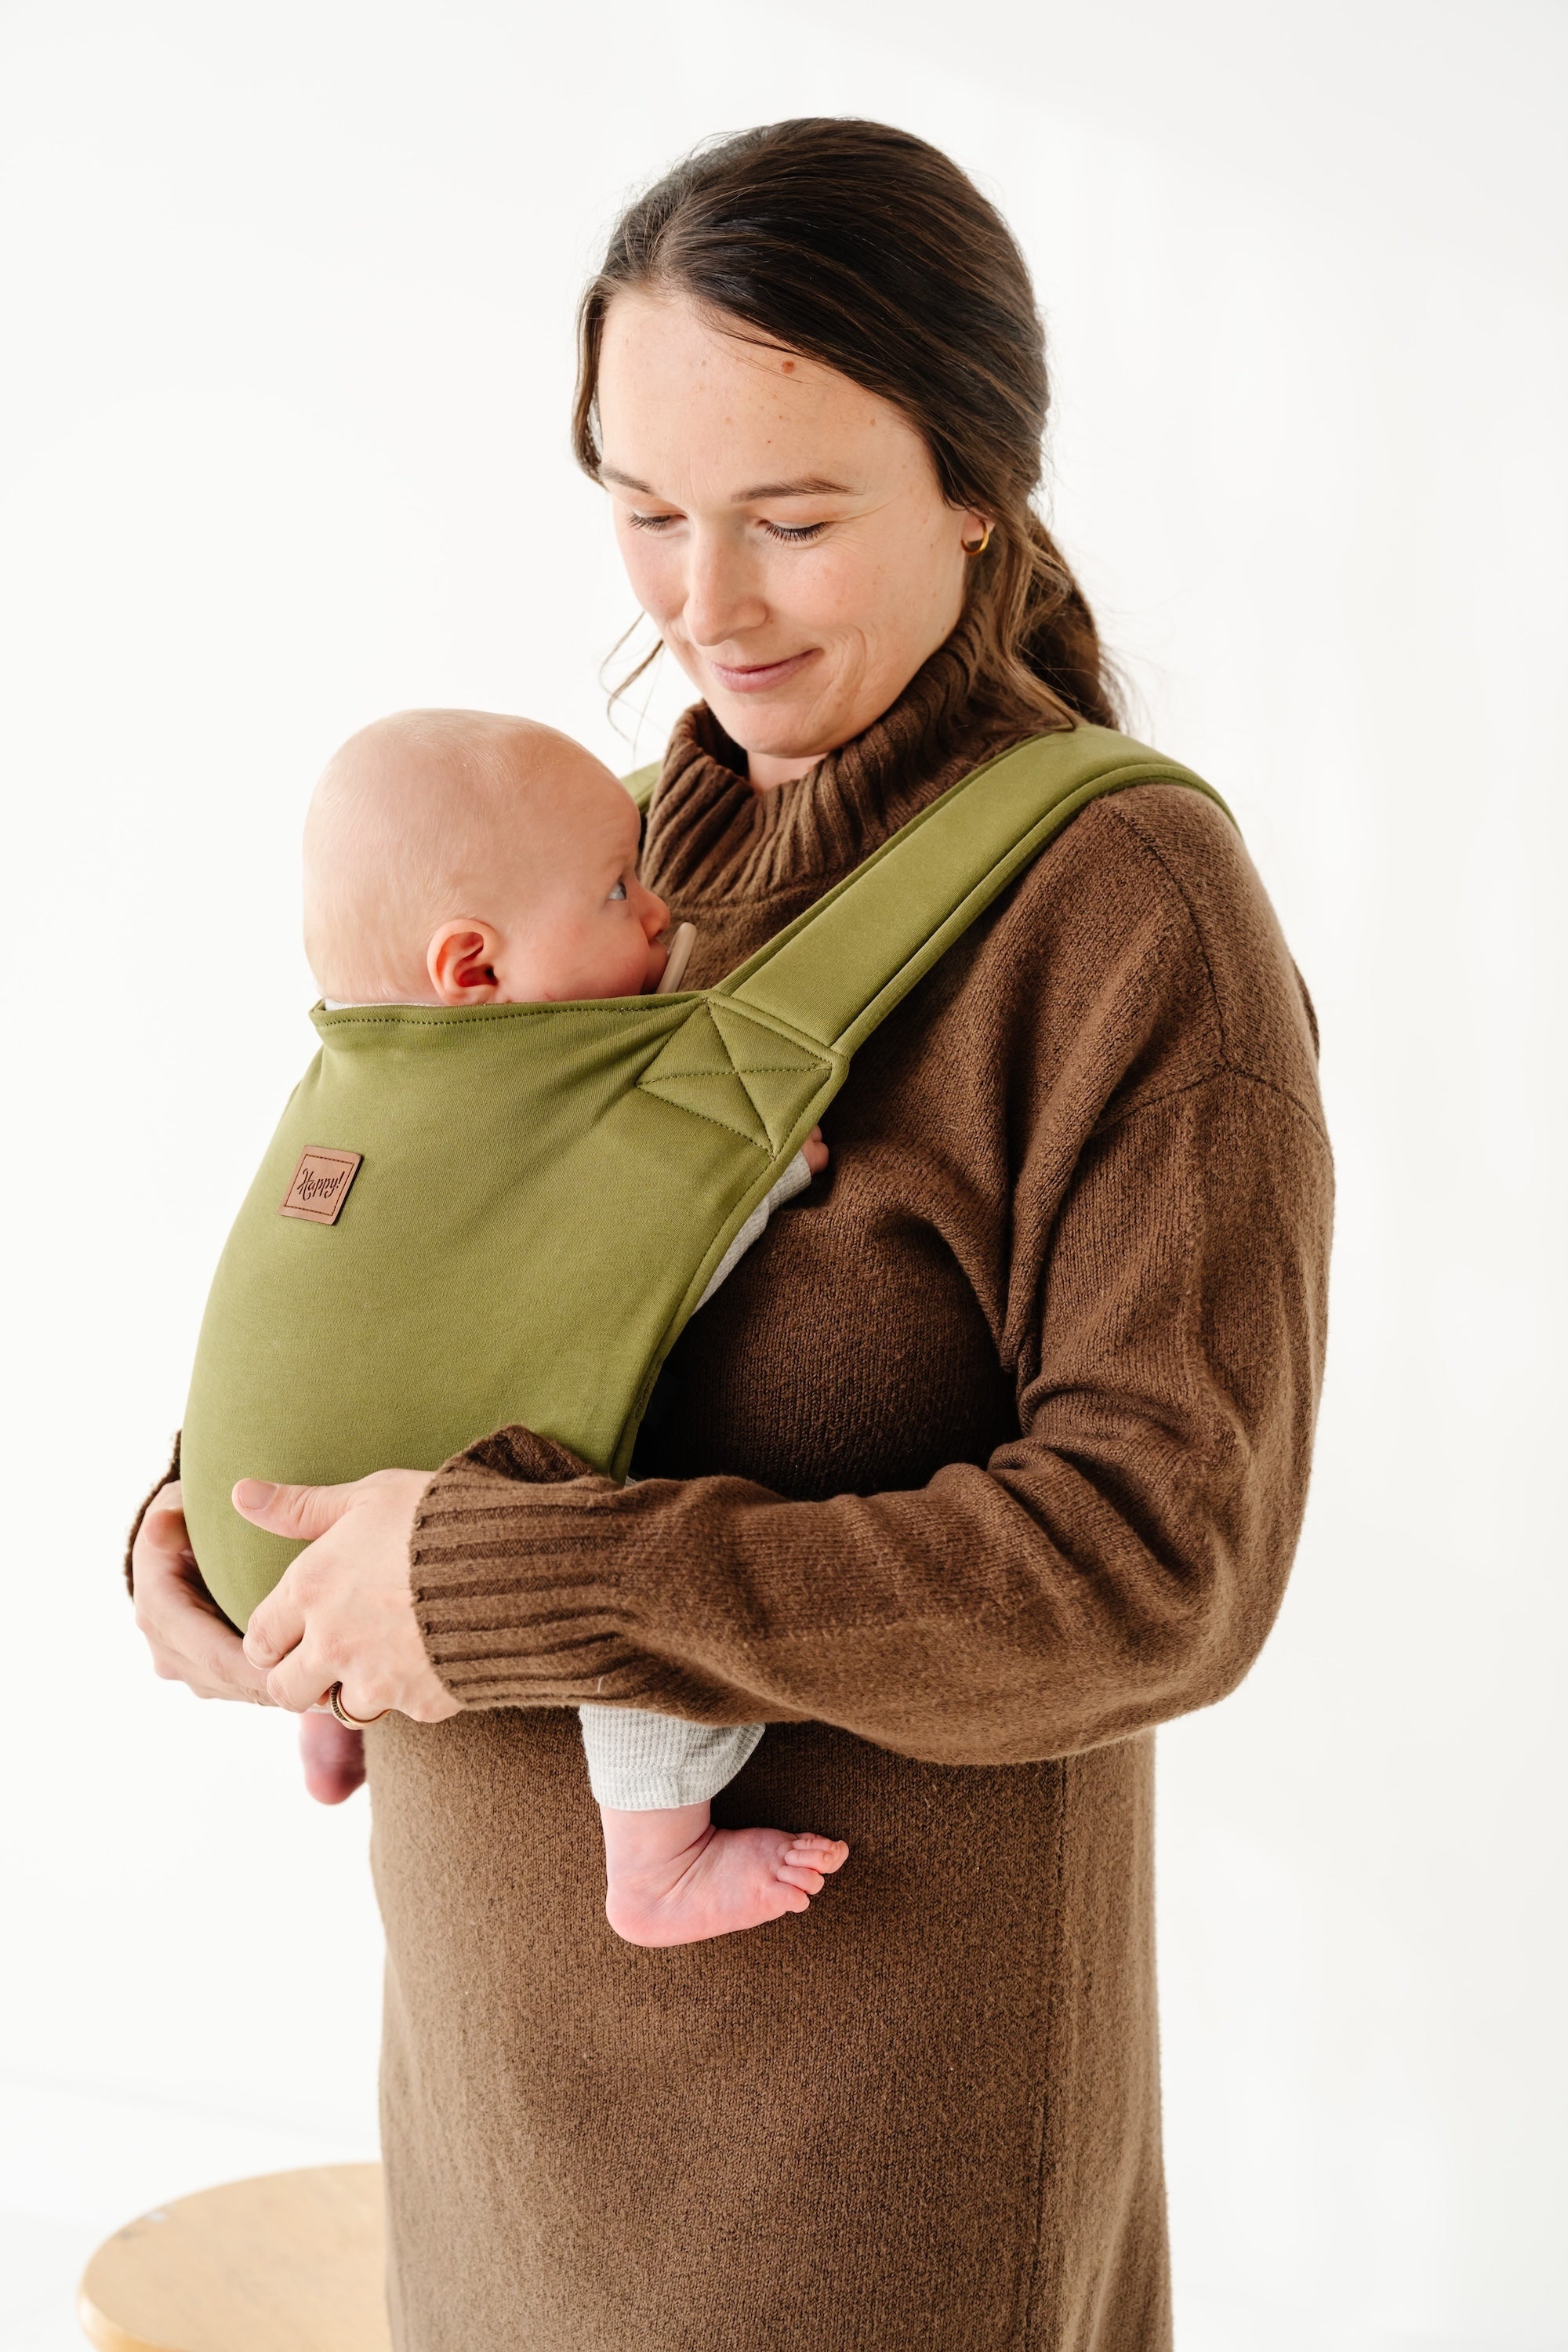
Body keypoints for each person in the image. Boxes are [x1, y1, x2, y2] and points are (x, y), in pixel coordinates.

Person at [129, 118, 1333, 2351]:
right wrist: (229, 1536)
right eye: (645, 509)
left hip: (845, 2201)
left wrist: (501, 1583)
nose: (704, 606)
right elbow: (464, 1300)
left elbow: (1159, 1570)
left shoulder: (1118, 918)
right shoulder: (605, 862)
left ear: (975, 486)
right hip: (493, 2141)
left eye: (791, 520)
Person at [290, 703, 846, 1945]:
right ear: (474, 970)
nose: (658, 914)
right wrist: (764, 1183)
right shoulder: (534, 1104)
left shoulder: (360, 1093)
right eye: (616, 891)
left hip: (284, 1531)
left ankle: (327, 1713)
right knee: (615, 1530)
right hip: (421, 1528)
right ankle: (657, 1855)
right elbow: (631, 1276)